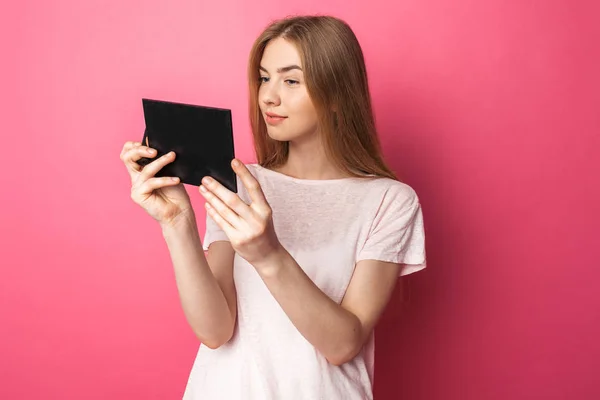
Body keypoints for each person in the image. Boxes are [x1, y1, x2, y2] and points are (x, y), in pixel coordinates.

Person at [120, 14, 426, 400]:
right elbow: (215, 331)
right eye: (264, 77)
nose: (268, 96)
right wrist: (177, 222)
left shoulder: (389, 201)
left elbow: (342, 345)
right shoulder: (244, 183)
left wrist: (268, 255)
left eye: (291, 80)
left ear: (336, 94)